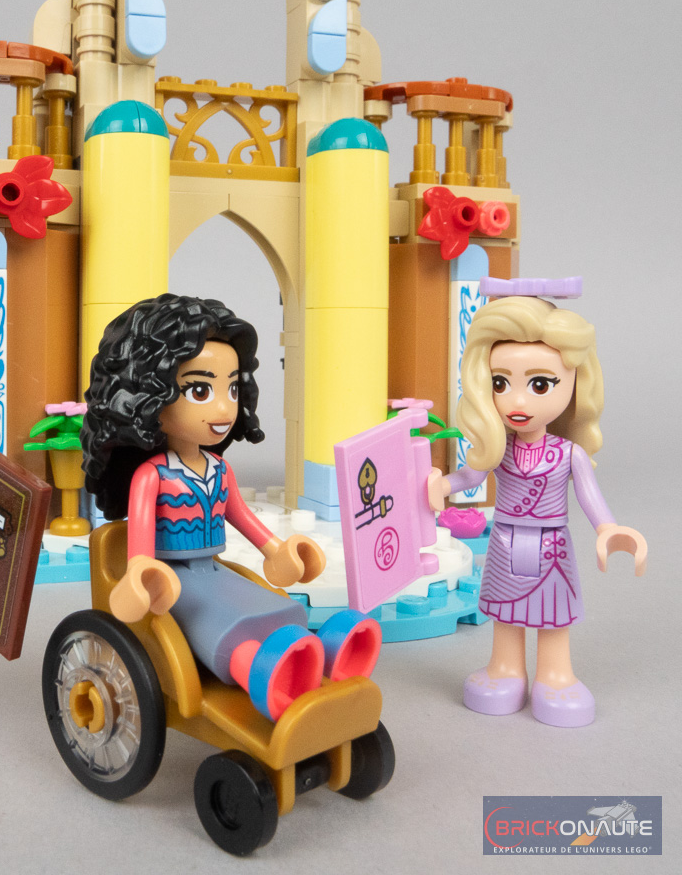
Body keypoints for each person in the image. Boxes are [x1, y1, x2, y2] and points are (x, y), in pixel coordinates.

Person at [83, 293, 380, 721]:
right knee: (224, 628)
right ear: (150, 397)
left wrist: (278, 550)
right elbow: (140, 546)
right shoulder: (153, 475)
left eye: (233, 388)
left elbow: (241, 516)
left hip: (216, 571)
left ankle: (325, 658)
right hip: (174, 584)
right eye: (200, 390)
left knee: (271, 606)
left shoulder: (220, 470)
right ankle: (266, 675)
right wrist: (141, 573)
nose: (224, 407)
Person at [427, 278, 646, 727]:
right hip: (506, 541)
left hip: (552, 546)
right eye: (501, 382)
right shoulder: (498, 449)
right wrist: (438, 486)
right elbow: (469, 477)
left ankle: (555, 675)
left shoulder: (569, 454)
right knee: (506, 616)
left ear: (575, 383)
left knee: (552, 617)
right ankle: (505, 670)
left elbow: (591, 498)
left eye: (541, 383)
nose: (517, 400)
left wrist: (609, 529)